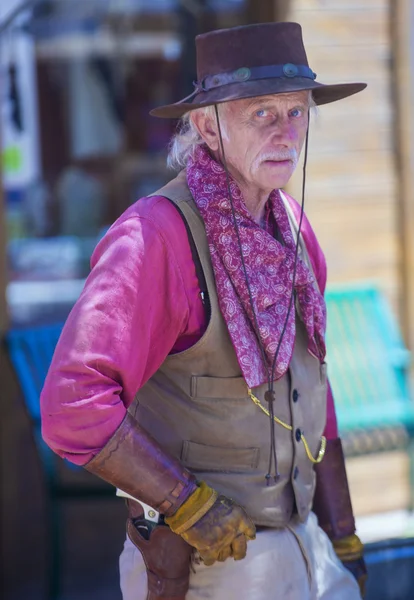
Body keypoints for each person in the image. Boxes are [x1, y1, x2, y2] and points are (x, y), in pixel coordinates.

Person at [41, 21, 368, 600]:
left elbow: (313, 383)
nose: (286, 132)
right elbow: (72, 402)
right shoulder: (155, 237)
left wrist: (342, 537)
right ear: (205, 127)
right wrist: (185, 503)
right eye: (261, 113)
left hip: (307, 548)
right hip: (209, 566)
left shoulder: (292, 226)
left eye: (296, 112)